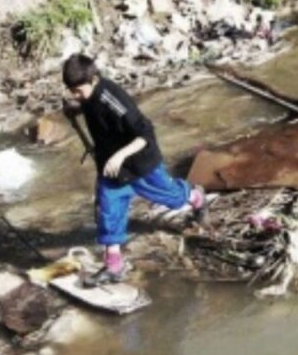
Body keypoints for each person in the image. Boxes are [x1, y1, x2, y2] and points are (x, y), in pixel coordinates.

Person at [62, 54, 206, 287]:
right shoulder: (88, 95)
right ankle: (114, 266)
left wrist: (120, 156)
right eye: (72, 92)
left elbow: (145, 134)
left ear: (94, 79)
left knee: (173, 198)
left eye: (78, 91)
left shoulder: (114, 100)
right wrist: (76, 108)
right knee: (108, 210)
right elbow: (90, 105)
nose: (75, 95)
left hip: (140, 164)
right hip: (112, 168)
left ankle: (195, 196)